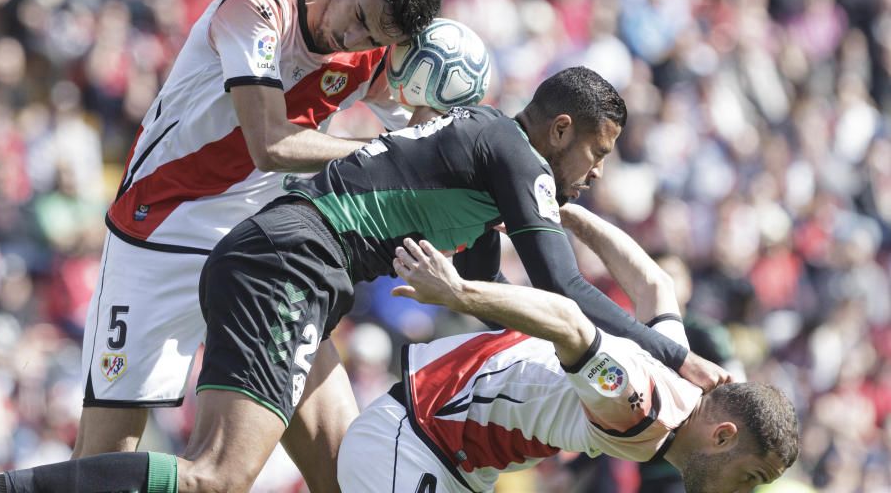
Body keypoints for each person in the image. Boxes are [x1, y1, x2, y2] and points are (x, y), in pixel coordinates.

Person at [0, 66, 729, 493]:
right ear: (560, 131)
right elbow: (567, 300)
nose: (594, 172)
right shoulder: (517, 158)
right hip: (288, 264)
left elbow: (491, 287)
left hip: (287, 263)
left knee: (347, 479)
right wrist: (678, 362)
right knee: (218, 478)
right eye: (595, 153)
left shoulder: (493, 155)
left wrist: (548, 227)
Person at [74, 0, 443, 493]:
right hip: (157, 238)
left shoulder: (373, 55)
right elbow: (269, 142)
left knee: (344, 471)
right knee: (101, 458)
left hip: (255, 255)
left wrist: (444, 107)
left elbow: (418, 138)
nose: (355, 39)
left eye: (374, 39)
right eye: (359, 18)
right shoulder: (258, 7)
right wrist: (380, 155)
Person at [336, 209, 798, 492]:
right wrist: (458, 293)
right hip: (421, 437)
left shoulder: (682, 379)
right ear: (723, 436)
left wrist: (570, 214)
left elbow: (655, 283)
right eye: (749, 478)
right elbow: (569, 324)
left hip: (461, 465)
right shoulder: (645, 409)